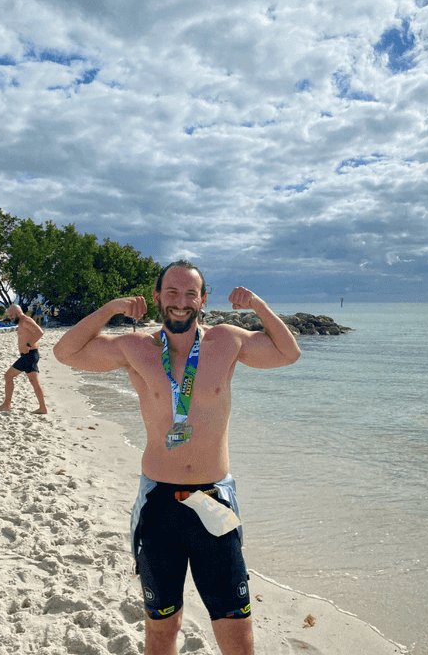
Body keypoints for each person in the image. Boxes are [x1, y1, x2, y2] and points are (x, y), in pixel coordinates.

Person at [53, 260, 300, 655]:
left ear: (203, 299)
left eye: (190, 294)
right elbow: (65, 352)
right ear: (156, 298)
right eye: (171, 293)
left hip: (212, 501)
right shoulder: (135, 348)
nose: (180, 303)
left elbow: (289, 353)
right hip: (159, 505)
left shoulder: (227, 341)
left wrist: (258, 307)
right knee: (162, 629)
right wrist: (110, 308)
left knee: (238, 636)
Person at [0, 304, 48, 414]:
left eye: (11, 315)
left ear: (18, 312)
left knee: (14, 377)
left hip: (30, 355)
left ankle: (8, 405)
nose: (11, 317)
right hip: (27, 356)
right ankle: (8, 405)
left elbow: (40, 332)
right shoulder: (22, 321)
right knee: (13, 377)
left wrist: (29, 344)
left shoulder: (26, 320)